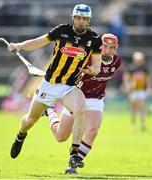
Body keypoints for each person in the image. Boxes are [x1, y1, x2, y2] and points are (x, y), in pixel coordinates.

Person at [8, 4, 103, 168]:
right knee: (30, 120)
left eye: (85, 19)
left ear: (89, 21)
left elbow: (97, 66)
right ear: (73, 18)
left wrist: (92, 70)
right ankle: (20, 135)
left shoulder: (94, 40)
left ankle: (74, 154)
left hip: (69, 87)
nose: (81, 22)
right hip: (49, 84)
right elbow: (38, 42)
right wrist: (19, 46)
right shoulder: (61, 31)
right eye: (78, 18)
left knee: (81, 109)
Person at [44, 33, 121, 174]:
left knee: (92, 131)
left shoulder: (116, 61)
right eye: (105, 46)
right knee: (61, 136)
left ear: (116, 49)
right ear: (100, 46)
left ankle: (72, 165)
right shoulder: (88, 57)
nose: (108, 50)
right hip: (76, 98)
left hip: (96, 99)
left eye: (112, 47)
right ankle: (50, 111)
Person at [122, 52, 151, 131]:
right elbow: (126, 78)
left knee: (142, 108)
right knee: (133, 108)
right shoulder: (131, 68)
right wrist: (127, 86)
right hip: (133, 91)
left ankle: (143, 123)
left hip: (141, 90)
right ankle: (133, 124)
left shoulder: (144, 68)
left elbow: (148, 79)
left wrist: (148, 88)